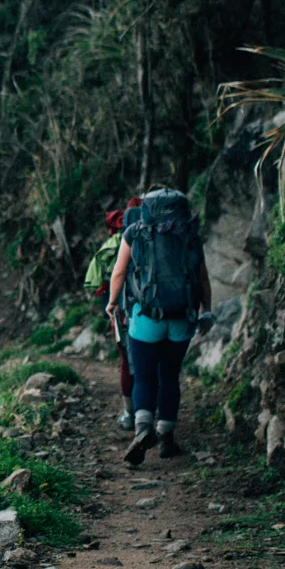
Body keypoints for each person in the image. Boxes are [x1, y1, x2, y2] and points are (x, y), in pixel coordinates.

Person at [106, 187, 211, 464]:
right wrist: (207, 310)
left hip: (146, 318)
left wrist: (112, 303)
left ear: (146, 209)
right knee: (170, 376)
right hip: (182, 318)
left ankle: (142, 429)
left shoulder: (134, 232)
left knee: (144, 376)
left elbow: (119, 272)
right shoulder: (190, 234)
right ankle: (167, 437)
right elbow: (202, 278)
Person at [81, 200, 139, 431]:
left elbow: (102, 282)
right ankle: (160, 417)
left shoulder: (113, 245)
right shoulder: (157, 236)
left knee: (127, 362)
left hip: (122, 314)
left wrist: (111, 303)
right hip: (157, 310)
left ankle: (130, 413)